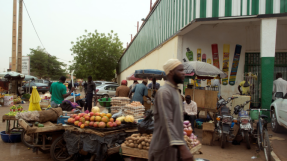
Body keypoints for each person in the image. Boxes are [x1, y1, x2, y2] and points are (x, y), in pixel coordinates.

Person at [149, 59, 194, 161]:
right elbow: (167, 121)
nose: (184, 73)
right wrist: (182, 148)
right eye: (180, 70)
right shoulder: (164, 92)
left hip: (173, 148)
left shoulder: (175, 91)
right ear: (170, 72)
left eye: (183, 70)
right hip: (163, 149)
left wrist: (181, 146)